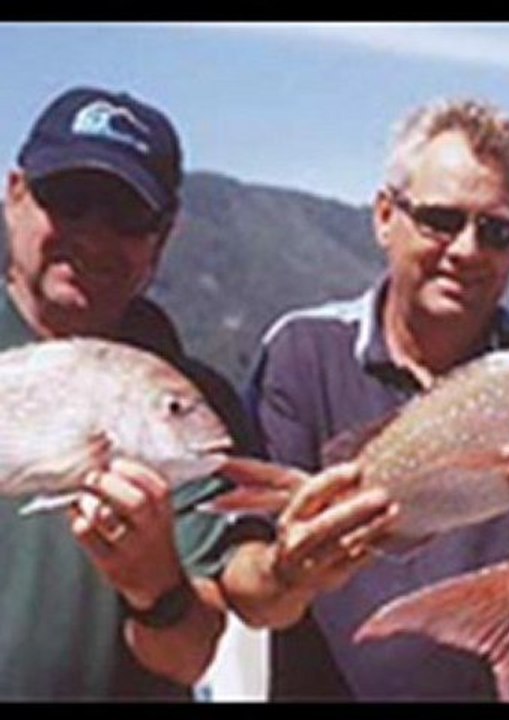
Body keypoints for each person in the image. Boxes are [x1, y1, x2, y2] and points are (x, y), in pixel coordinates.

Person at [219, 98, 509, 700]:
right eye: (440, 220)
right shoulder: (301, 351)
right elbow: (250, 596)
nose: (467, 250)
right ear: (384, 217)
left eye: (497, 231)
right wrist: (289, 572)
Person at [0, 86, 259, 699]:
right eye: (69, 201)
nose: (93, 236)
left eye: (126, 216)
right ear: (15, 197)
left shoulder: (192, 406)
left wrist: (156, 586)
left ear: (161, 239)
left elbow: (190, 657)